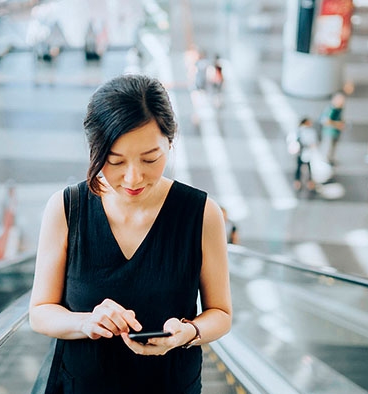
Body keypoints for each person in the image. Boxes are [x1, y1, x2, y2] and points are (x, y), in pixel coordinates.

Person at [29, 74, 232, 393]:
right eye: (115, 161)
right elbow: (40, 313)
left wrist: (188, 332)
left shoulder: (202, 213)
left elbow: (220, 313)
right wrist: (86, 322)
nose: (133, 178)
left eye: (151, 159)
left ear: (170, 141)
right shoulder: (67, 209)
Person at [290, 117, 319, 191]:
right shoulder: (306, 131)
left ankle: (299, 181)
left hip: (303, 152)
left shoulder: (299, 130)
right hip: (303, 151)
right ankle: (307, 181)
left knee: (301, 167)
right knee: (306, 167)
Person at [320, 92, 346, 164]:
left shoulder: (339, 109)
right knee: (328, 147)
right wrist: (338, 124)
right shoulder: (331, 109)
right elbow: (326, 121)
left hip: (335, 132)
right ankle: (326, 162)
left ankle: (330, 159)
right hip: (330, 132)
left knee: (332, 148)